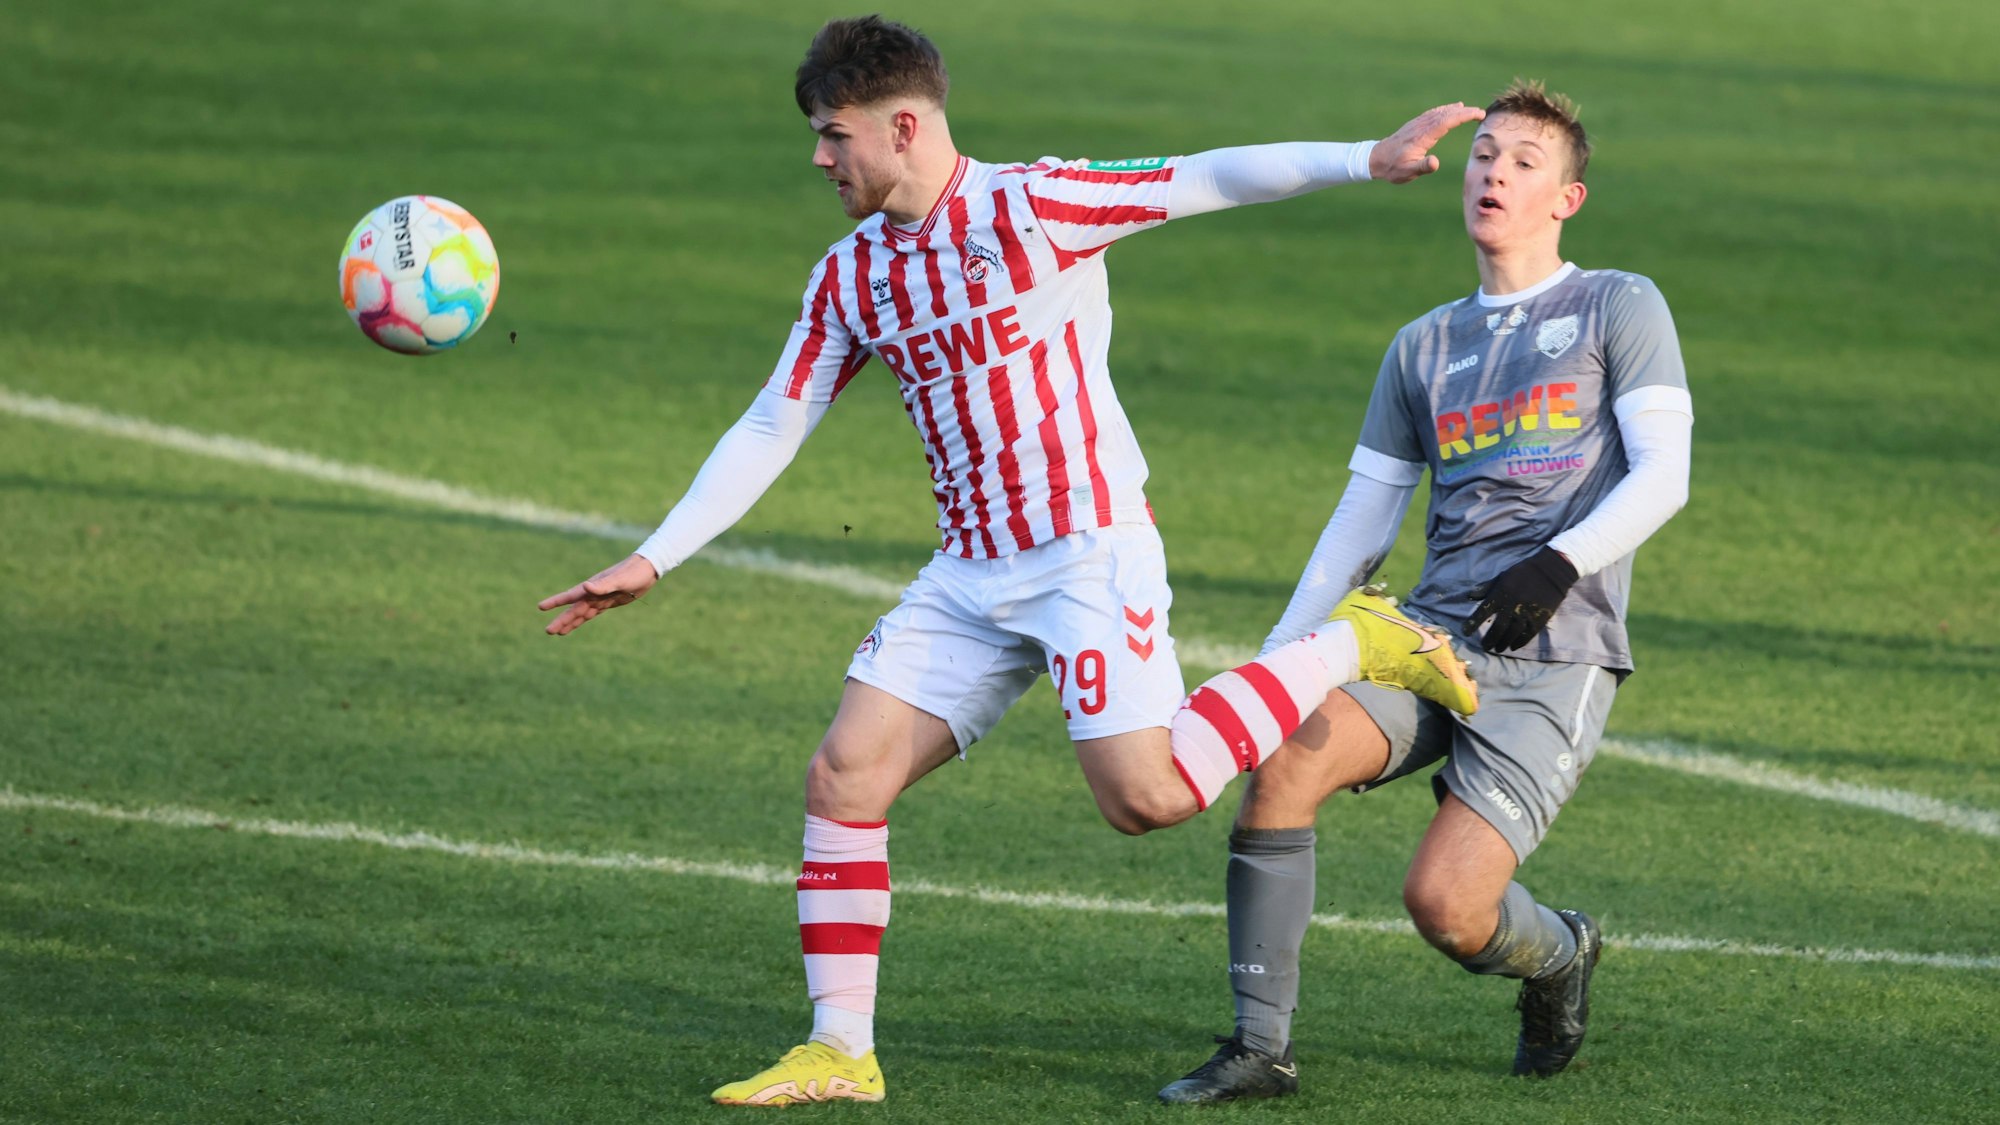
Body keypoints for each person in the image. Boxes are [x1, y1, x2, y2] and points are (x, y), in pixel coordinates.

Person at [537, 15, 1484, 1107]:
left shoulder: (1032, 206)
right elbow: (770, 423)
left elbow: (1203, 176)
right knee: (845, 774)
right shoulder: (850, 276)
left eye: (832, 134)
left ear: (902, 126)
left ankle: (1350, 641)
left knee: (1150, 797)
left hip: (1087, 552)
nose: (818, 158)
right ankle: (841, 1051)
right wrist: (655, 558)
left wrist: (1364, 159)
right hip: (969, 572)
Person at [1156, 79, 1694, 1104]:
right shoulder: (1424, 344)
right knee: (1282, 767)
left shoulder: (1614, 304)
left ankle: (1558, 953)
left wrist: (1556, 565)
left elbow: (1662, 472)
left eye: (1522, 160)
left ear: (1564, 199)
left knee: (1444, 906)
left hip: (1553, 654)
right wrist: (1282, 653)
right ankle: (1257, 1048)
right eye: (1484, 152)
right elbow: (1363, 515)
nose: (1492, 171)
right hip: (1423, 636)